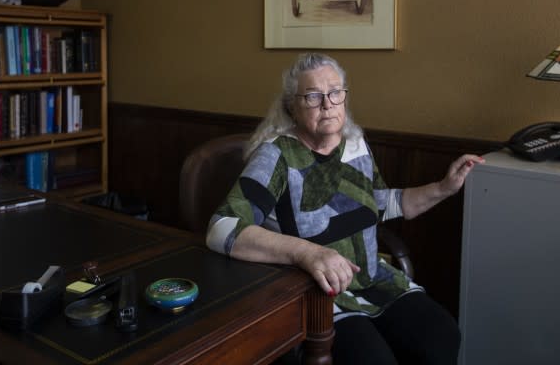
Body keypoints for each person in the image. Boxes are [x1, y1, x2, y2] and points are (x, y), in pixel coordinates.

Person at [206, 53, 485, 364]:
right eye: (313, 96)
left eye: (335, 92)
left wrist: (444, 188)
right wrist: (307, 252)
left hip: (370, 278)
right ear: (292, 108)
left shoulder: (354, 143)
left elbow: (379, 203)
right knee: (373, 360)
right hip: (313, 292)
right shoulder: (277, 156)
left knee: (441, 335)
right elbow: (223, 228)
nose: (327, 104)